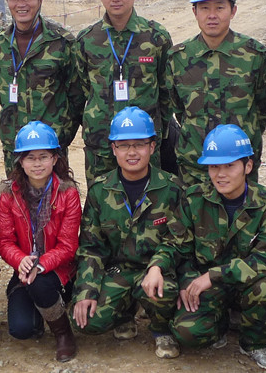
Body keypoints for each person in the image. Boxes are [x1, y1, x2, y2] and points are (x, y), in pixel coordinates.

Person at [159, 124, 266, 369]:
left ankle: (254, 343)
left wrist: (215, 275)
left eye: (229, 166)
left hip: (244, 284)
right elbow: (179, 246)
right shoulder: (194, 198)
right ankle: (220, 326)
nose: (221, 174)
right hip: (207, 286)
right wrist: (186, 279)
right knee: (187, 333)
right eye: (214, 166)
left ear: (248, 166)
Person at [72, 106, 183, 359]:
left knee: (166, 292)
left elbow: (178, 240)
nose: (132, 152)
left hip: (156, 271)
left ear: (152, 147)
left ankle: (161, 328)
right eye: (123, 145)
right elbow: (91, 247)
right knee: (87, 321)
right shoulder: (100, 191)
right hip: (119, 271)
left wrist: (158, 266)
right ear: (114, 149)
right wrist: (86, 290)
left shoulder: (172, 188)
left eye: (139, 144)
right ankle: (124, 313)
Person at [74, 0, 173, 186]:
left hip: (143, 144)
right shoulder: (87, 40)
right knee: (102, 200)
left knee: (149, 200)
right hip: (101, 143)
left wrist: (158, 130)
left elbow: (167, 92)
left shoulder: (156, 37)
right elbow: (81, 90)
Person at [166, 0, 266, 187]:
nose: (212, 15)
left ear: (233, 11)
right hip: (195, 166)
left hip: (239, 164)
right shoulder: (179, 58)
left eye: (220, 7)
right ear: (194, 12)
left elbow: (261, 109)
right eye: (204, 8)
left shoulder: (253, 55)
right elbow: (179, 110)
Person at [0, 121, 82, 362]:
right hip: (24, 269)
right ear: (20, 161)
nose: (37, 164)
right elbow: (4, 240)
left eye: (43, 156)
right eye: (30, 158)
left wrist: (41, 265)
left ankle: (63, 334)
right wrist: (21, 260)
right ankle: (44, 307)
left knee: (40, 284)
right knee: (21, 329)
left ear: (55, 159)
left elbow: (68, 246)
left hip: (58, 269)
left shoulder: (67, 192)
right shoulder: (9, 193)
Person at [0, 0, 80, 174]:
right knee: (17, 195)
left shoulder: (62, 42)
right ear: (7, 1)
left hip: (51, 147)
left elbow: (76, 96)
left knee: (57, 195)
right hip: (15, 146)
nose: (21, 4)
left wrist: (62, 134)